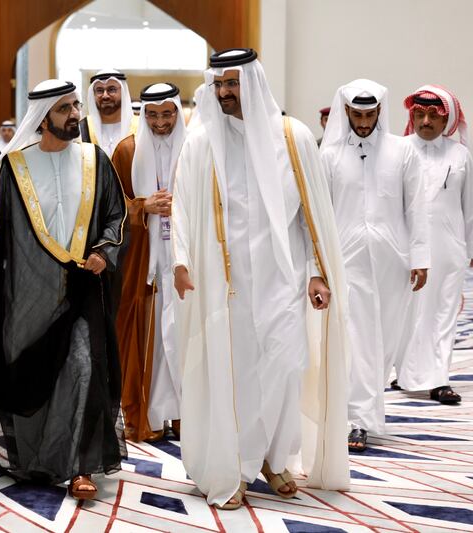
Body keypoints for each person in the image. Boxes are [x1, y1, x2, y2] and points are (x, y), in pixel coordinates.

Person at [172, 48, 350, 510]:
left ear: (253, 83)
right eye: (220, 85)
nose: (226, 92)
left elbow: (313, 216)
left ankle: (274, 457)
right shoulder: (202, 142)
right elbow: (183, 205)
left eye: (234, 83)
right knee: (234, 375)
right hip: (223, 285)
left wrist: (316, 272)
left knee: (284, 369)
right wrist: (180, 261)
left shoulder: (294, 138)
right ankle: (236, 466)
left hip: (282, 280)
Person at [0, 79, 127, 500]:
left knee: (83, 368)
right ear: (42, 118)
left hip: (83, 290)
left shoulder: (96, 160)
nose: (75, 114)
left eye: (75, 106)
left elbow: (115, 217)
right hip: (27, 293)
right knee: (34, 375)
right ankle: (40, 457)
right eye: (64, 109)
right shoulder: (13, 167)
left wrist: (105, 252)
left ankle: (79, 466)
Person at [320, 79, 429, 452]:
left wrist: (420, 257)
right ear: (346, 112)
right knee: (357, 336)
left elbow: (416, 207)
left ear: (379, 111)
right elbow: (320, 214)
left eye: (369, 114)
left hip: (393, 260)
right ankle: (357, 420)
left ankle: (368, 406)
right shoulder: (330, 155)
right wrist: (318, 265)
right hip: (346, 259)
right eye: (357, 114)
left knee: (386, 336)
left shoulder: (402, 152)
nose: (363, 122)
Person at [111, 83, 187, 443]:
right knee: (143, 334)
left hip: (185, 260)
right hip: (143, 261)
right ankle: (145, 415)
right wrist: (143, 206)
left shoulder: (195, 148)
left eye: (167, 113)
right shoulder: (127, 151)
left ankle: (185, 416)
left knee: (185, 335)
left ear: (178, 112)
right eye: (152, 114)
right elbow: (109, 208)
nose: (160, 122)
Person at [396, 85, 472, 404]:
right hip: (406, 249)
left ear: (446, 121)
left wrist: (469, 249)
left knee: (443, 313)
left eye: (432, 115)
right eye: (419, 114)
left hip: (449, 247)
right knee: (408, 313)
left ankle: (439, 379)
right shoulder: (398, 150)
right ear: (412, 116)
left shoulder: (460, 154)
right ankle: (405, 373)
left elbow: (469, 206)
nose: (425, 121)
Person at [79, 68, 136, 157]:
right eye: (100, 90)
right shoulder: (82, 128)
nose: (105, 96)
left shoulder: (139, 126)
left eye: (111, 89)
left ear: (123, 91)